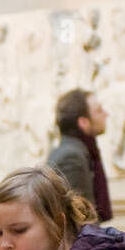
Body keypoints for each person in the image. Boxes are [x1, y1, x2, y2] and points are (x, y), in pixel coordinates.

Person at [48, 88, 112, 224]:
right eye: (99, 111)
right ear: (83, 122)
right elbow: (77, 221)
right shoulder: (72, 157)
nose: (106, 114)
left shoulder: (78, 151)